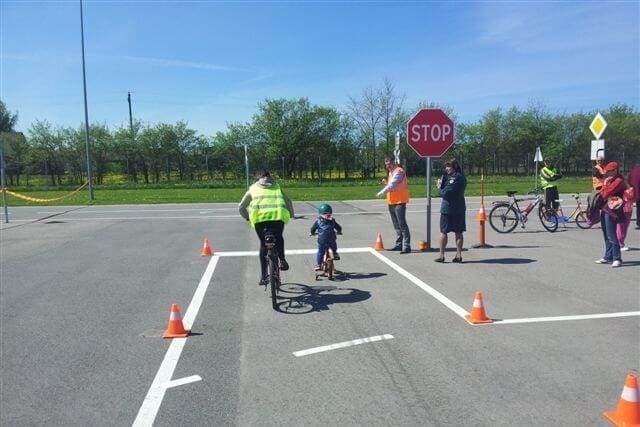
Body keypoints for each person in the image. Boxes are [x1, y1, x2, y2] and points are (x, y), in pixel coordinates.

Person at [239, 170, 294, 286]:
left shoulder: (253, 188)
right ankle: (282, 260)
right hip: (277, 218)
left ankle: (263, 276)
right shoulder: (277, 187)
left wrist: (247, 217)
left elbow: (241, 206)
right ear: (270, 178)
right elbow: (288, 201)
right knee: (279, 238)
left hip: (260, 221)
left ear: (258, 178)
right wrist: (292, 214)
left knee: (263, 244)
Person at [435, 158, 467, 263]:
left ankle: (442, 255)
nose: (446, 168)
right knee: (458, 232)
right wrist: (443, 183)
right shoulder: (460, 177)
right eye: (446, 166)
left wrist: (439, 187)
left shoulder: (455, 178)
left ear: (455, 167)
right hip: (459, 208)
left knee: (444, 232)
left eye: (449, 166)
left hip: (449, 209)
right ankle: (458, 255)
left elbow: (445, 193)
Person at [376, 158, 411, 253]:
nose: (388, 166)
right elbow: (393, 185)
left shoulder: (399, 171)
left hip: (400, 201)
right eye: (386, 164)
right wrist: (385, 183)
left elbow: (393, 185)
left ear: (393, 163)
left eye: (389, 164)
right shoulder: (391, 172)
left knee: (402, 224)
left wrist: (381, 192)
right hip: (392, 201)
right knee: (396, 225)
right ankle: (399, 245)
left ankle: (406, 246)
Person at [596, 162, 626, 268]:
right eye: (607, 171)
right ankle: (608, 256)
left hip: (613, 211)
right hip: (605, 208)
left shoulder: (619, 181)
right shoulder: (611, 180)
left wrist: (604, 184)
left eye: (610, 171)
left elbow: (605, 194)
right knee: (606, 234)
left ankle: (617, 258)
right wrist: (605, 184)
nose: (607, 173)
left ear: (616, 170)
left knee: (611, 235)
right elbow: (602, 194)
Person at [310, 203, 342, 271]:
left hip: (322, 240)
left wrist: (312, 233)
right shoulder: (332, 221)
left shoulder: (318, 221)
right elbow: (338, 227)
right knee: (333, 245)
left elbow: (312, 229)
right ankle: (335, 253)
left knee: (321, 252)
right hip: (331, 239)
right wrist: (339, 231)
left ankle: (318, 264)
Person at [617, 179, 635, 251]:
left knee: (624, 228)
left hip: (628, 210)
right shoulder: (623, 190)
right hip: (622, 210)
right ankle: (619, 244)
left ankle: (621, 243)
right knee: (620, 227)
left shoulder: (631, 190)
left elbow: (632, 197)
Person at [628, 164, 640, 229]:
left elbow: (629, 180)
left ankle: (639, 223)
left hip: (637, 193)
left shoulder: (633, 171)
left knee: (639, 209)